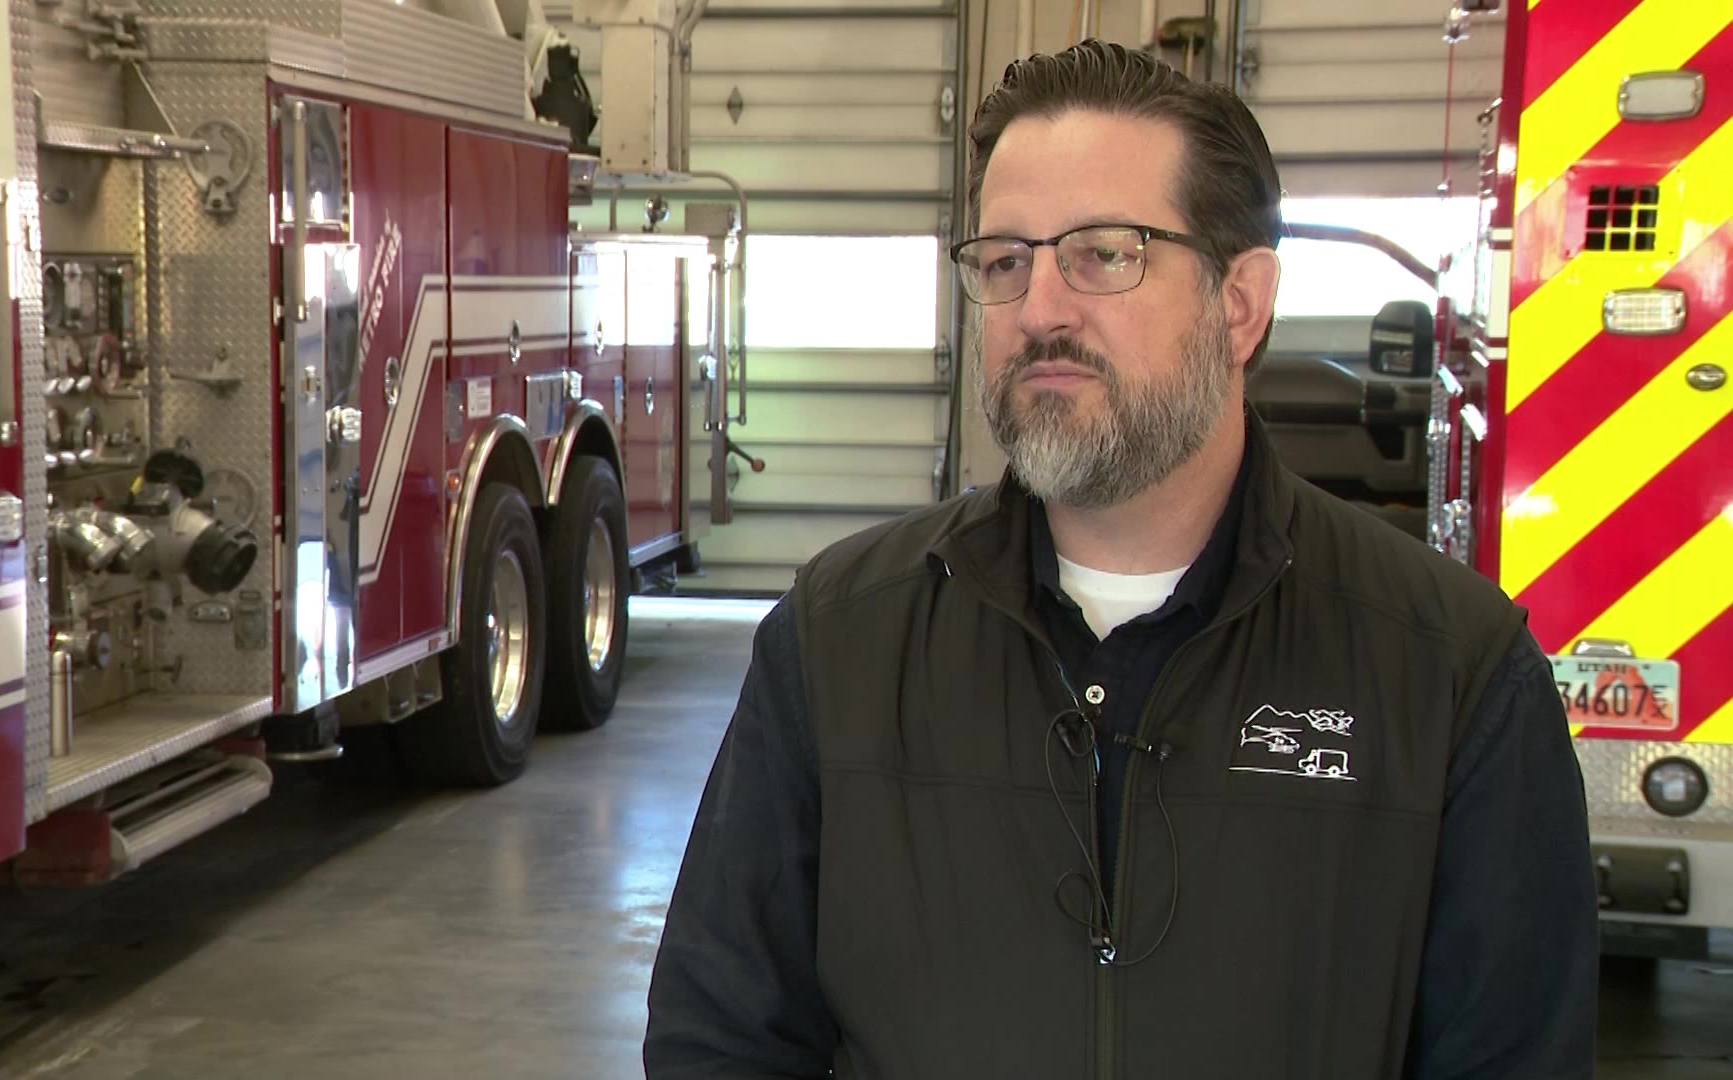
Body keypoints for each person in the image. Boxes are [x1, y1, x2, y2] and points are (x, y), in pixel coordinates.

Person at [643, 38, 1598, 1080]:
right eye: (1006, 261)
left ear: (1239, 304)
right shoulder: (841, 637)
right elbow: (720, 1037)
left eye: (1105, 253)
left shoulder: (1451, 670)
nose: (1040, 308)